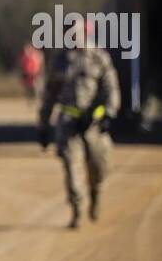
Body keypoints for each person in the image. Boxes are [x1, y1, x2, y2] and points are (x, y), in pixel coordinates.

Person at [38, 21, 121, 228]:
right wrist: (43, 124)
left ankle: (95, 194)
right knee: (71, 167)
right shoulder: (60, 61)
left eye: (74, 34)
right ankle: (76, 210)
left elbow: (111, 88)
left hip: (93, 122)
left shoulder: (98, 58)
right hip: (68, 122)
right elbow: (49, 95)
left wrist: (108, 113)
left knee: (98, 167)